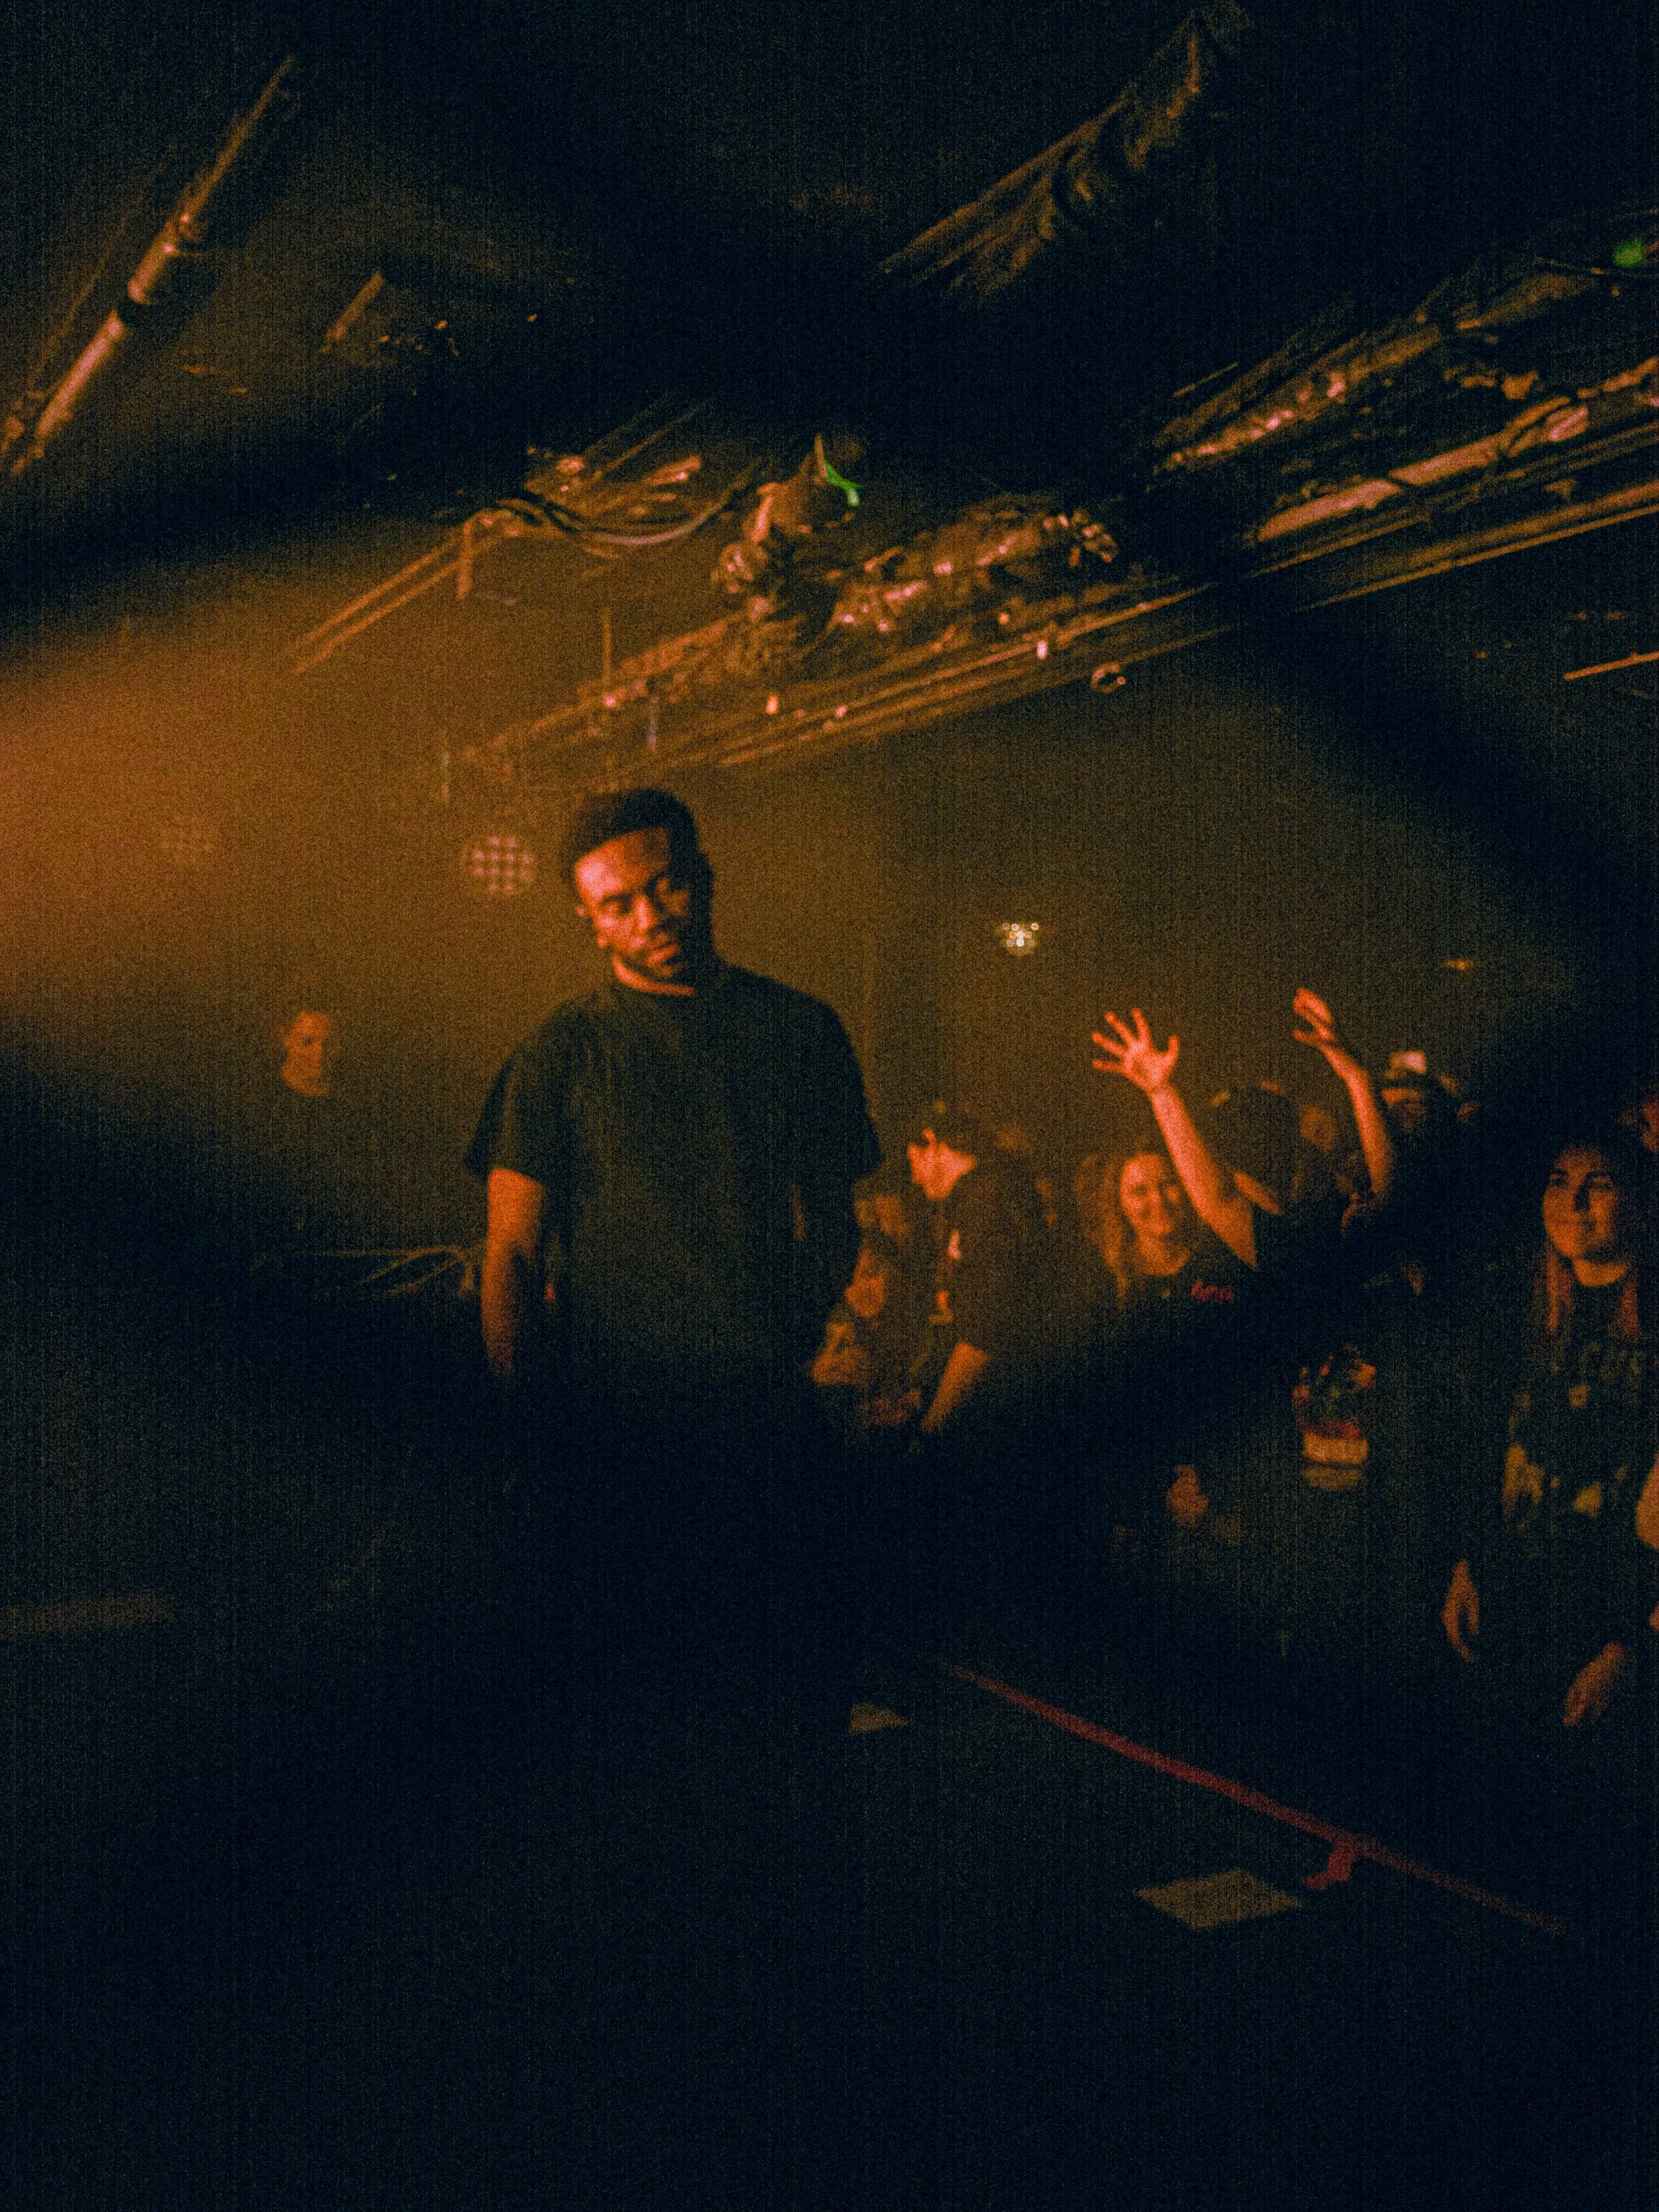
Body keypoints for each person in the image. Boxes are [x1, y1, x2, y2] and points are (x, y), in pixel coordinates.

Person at [466, 786, 880, 1650]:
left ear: (705, 877)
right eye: (618, 903)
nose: (649, 915)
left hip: (764, 1422)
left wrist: (786, 1336)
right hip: (615, 1432)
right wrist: (526, 1427)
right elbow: (509, 1253)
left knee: (781, 1690)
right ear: (591, 920)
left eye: (666, 886)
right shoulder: (559, 1053)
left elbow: (839, 1219)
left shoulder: (800, 1031)